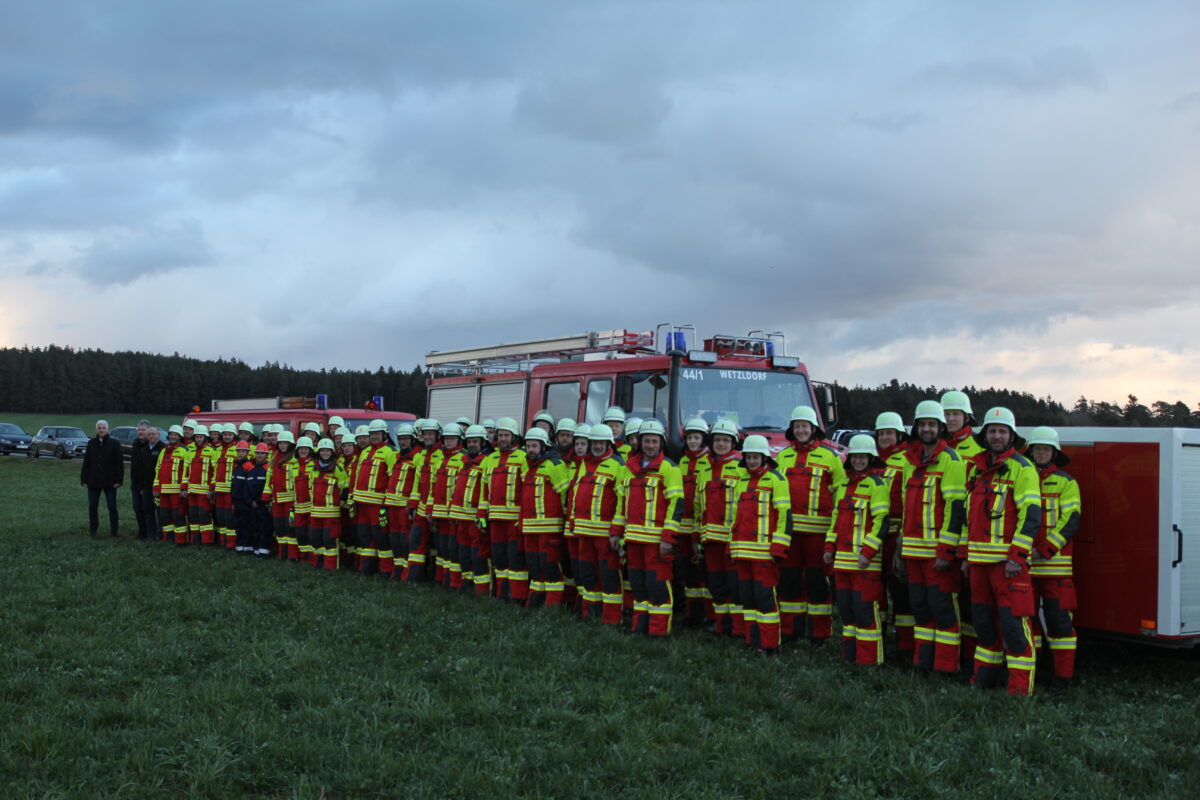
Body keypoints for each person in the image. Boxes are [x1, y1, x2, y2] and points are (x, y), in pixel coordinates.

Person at [964, 407, 1042, 696]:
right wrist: (965, 556)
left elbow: (1031, 515)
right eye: (992, 431)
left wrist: (1016, 557)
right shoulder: (976, 468)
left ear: (1011, 435)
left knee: (1014, 628)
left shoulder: (1022, 468)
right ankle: (984, 682)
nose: (996, 436)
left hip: (1007, 566)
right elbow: (967, 515)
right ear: (985, 436)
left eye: (1002, 431)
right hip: (978, 564)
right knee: (984, 627)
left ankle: (1019, 691)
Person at [901, 400, 967, 676]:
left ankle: (945, 667)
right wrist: (899, 550)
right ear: (917, 428)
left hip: (937, 555)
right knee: (921, 609)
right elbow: (906, 507)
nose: (927, 429)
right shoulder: (910, 461)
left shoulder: (951, 460)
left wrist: (946, 551)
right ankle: (923, 662)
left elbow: (955, 508)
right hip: (914, 553)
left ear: (941, 428)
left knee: (943, 610)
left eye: (932, 424)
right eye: (923, 424)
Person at [776, 405, 845, 645]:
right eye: (797, 426)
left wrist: (835, 533)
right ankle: (790, 630)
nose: (801, 430)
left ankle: (820, 634)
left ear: (813, 429)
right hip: (790, 533)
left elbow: (841, 494)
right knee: (789, 582)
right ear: (792, 430)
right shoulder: (782, 456)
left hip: (819, 533)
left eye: (805, 426)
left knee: (817, 584)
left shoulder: (830, 457)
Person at [610, 419, 683, 637]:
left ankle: (658, 631)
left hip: (656, 542)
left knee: (657, 585)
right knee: (639, 585)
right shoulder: (627, 469)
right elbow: (620, 504)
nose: (650, 445)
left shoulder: (669, 468)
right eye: (647, 441)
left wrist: (668, 538)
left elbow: (676, 505)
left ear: (661, 443)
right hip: (633, 539)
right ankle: (639, 627)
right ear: (639, 443)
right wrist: (615, 532)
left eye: (654, 441)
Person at [825, 435, 891, 665]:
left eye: (863, 457)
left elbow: (881, 520)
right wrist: (828, 547)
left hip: (865, 562)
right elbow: (836, 518)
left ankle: (869, 660)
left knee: (865, 611)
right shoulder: (843, 484)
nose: (859, 461)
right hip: (842, 561)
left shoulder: (877, 485)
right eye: (855, 457)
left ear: (871, 459)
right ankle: (849, 656)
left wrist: (868, 552)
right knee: (847, 610)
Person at [1025, 426, 1082, 693]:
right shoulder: (1024, 478)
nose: (1041, 453)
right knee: (1027, 621)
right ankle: (1033, 672)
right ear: (1030, 451)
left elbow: (1071, 521)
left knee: (1059, 623)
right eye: (1037, 448)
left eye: (1046, 449)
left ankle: (1062, 678)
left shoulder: (1066, 482)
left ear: (1054, 453)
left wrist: (1044, 550)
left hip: (1055, 569)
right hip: (1024, 568)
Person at [730, 435, 791, 654]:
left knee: (765, 599)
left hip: (765, 553)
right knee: (747, 597)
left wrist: (779, 547)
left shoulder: (777, 479)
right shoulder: (742, 481)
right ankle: (752, 640)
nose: (752, 461)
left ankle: (770, 644)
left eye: (756, 457)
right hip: (743, 551)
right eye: (748, 457)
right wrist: (732, 545)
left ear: (765, 457)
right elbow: (736, 516)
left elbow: (784, 515)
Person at [941, 389, 984, 669]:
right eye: (946, 414)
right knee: (947, 597)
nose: (951, 419)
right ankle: (952, 654)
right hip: (942, 532)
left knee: (971, 602)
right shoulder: (938, 447)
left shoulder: (978, 449)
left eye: (955, 414)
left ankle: (970, 655)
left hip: (970, 531)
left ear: (967, 416)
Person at [567, 423, 627, 623]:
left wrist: (617, 531)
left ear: (609, 443)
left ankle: (610, 618)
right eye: (595, 442)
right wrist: (573, 521)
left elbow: (622, 501)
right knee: (587, 575)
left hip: (605, 535)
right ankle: (589, 614)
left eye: (602, 442)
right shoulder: (585, 463)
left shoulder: (618, 465)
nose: (598, 446)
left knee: (608, 576)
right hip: (584, 532)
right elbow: (576, 494)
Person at [700, 418, 746, 637]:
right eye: (717, 439)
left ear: (733, 443)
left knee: (735, 585)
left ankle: (737, 629)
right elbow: (700, 506)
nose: (720, 444)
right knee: (716, 583)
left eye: (726, 440)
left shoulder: (741, 468)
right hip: (710, 539)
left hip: (732, 539)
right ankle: (721, 626)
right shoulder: (705, 469)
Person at [874, 411, 914, 662]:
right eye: (881, 433)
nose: (885, 437)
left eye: (889, 433)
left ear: (899, 435)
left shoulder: (906, 460)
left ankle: (905, 646)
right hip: (873, 536)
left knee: (900, 591)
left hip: (895, 535)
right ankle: (879, 637)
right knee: (876, 590)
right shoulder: (869, 458)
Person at [477, 418, 529, 602]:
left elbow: (527, 491)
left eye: (506, 435)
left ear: (514, 437)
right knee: (499, 558)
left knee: (515, 559)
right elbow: (484, 491)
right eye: (500, 435)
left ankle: (517, 597)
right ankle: (501, 594)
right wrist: (481, 515)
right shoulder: (490, 459)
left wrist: (522, 517)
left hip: (514, 519)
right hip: (494, 520)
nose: (503, 439)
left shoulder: (523, 457)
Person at [519, 428, 571, 608]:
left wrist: (566, 521)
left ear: (544, 446)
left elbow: (565, 495)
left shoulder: (554, 465)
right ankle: (535, 601)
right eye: (528, 446)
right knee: (534, 566)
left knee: (550, 566)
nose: (531, 449)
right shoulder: (526, 466)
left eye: (534, 446)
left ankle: (552, 605)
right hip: (530, 528)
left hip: (549, 528)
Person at [676, 417, 713, 626]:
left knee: (703, 572)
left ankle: (708, 614)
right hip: (683, 526)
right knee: (687, 572)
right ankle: (692, 614)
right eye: (690, 437)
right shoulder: (682, 460)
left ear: (703, 439)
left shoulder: (708, 461)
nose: (692, 441)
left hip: (699, 526)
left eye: (696, 437)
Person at [351, 419, 397, 576]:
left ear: (385, 434)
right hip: (362, 504)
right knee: (365, 537)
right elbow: (356, 477)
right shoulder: (364, 452)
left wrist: (386, 505)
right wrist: (353, 500)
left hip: (378, 505)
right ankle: (367, 568)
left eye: (377, 433)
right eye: (372, 434)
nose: (374, 436)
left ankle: (385, 570)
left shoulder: (390, 452)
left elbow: (393, 480)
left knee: (381, 537)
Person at [450, 425, 492, 595]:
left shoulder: (487, 461)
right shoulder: (463, 461)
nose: (472, 444)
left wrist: (482, 515)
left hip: (475, 518)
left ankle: (481, 590)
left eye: (475, 441)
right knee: (464, 554)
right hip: (461, 517)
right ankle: (466, 583)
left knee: (478, 555)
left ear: (483, 442)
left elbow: (486, 492)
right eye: (470, 441)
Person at [427, 423, 465, 588]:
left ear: (458, 440)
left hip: (453, 514)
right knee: (442, 548)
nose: (449, 441)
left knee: (452, 549)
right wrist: (430, 510)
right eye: (446, 438)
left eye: (452, 438)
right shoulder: (440, 459)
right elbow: (432, 489)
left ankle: (454, 583)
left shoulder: (463, 459)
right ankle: (441, 579)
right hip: (439, 514)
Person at [310, 438, 350, 570]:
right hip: (315, 512)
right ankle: (317, 564)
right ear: (319, 452)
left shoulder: (338, 469)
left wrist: (341, 502)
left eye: (327, 451)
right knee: (316, 539)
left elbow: (345, 488)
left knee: (329, 540)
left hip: (331, 513)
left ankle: (330, 567)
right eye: (322, 451)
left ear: (332, 452)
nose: (325, 453)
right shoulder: (314, 468)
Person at [81, 419, 124, 537]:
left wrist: (119, 480)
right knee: (92, 506)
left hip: (110, 481)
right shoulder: (91, 443)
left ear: (107, 429)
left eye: (103, 428)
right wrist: (84, 479)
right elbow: (87, 462)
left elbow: (119, 464)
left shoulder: (115, 443)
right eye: (99, 428)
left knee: (111, 506)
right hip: (93, 480)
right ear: (96, 429)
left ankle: (114, 532)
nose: (101, 430)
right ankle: (93, 530)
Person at [262, 431, 296, 560]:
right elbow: (269, 478)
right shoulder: (274, 457)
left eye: (285, 443)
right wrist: (266, 495)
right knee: (279, 527)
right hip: (276, 499)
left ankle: (292, 556)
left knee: (290, 528)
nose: (282, 445)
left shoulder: (294, 458)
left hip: (291, 500)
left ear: (290, 444)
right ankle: (282, 554)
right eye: (281, 443)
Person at [233, 443, 271, 556]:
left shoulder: (268, 469)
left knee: (264, 528)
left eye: (262, 453)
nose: (260, 455)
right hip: (252, 504)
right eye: (258, 453)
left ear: (266, 455)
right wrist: (250, 501)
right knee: (254, 527)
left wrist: (259, 501)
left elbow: (267, 487)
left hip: (263, 504)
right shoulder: (252, 470)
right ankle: (255, 549)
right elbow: (246, 487)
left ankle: (263, 550)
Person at [153, 425, 189, 543]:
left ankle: (180, 540)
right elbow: (158, 469)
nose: (173, 437)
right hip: (163, 491)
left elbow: (187, 470)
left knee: (178, 516)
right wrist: (156, 486)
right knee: (165, 515)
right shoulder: (164, 450)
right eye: (171, 434)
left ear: (180, 437)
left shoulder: (184, 450)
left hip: (177, 491)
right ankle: (168, 538)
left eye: (175, 435)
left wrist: (184, 488)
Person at [130, 421, 164, 541]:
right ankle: (151, 534)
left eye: (153, 434)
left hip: (160, 486)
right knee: (148, 511)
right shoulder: (144, 450)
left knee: (160, 513)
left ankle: (160, 535)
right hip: (146, 487)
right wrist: (141, 487)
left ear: (158, 435)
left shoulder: (163, 449)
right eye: (149, 435)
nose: (151, 436)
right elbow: (141, 470)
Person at [184, 424, 216, 545]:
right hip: (192, 490)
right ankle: (194, 540)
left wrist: (211, 489)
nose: (198, 439)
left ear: (205, 437)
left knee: (204, 516)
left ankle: (207, 541)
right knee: (193, 515)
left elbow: (215, 471)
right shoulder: (190, 451)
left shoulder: (211, 451)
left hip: (204, 491)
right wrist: (184, 488)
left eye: (201, 437)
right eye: (197, 437)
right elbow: (186, 471)